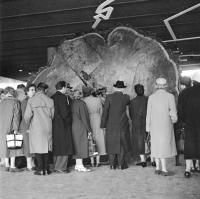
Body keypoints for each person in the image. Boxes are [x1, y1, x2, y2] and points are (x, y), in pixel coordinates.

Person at [146, 78, 177, 176]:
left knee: (156, 145)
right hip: (165, 125)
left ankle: (157, 168)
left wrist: (148, 127)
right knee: (163, 146)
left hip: (154, 125)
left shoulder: (151, 97)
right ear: (166, 85)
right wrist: (174, 120)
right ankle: (164, 169)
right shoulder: (170, 96)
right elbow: (173, 113)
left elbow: (148, 114)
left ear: (156, 85)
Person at [24, 82, 54, 175]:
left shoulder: (31, 100)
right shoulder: (50, 100)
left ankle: (40, 169)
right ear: (45, 90)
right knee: (46, 147)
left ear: (37, 89)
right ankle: (47, 169)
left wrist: (28, 124)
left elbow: (27, 116)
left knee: (38, 147)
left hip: (36, 127)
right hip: (48, 126)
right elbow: (52, 115)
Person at [101, 80, 130, 170]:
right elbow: (128, 108)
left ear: (115, 88)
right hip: (122, 124)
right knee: (121, 144)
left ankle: (112, 165)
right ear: (123, 88)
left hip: (110, 124)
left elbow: (105, 112)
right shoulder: (126, 97)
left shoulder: (109, 97)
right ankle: (121, 164)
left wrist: (103, 125)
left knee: (111, 143)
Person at [178, 72, 200, 178]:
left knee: (189, 145)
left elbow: (180, 110)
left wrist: (182, 122)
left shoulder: (184, 93)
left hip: (189, 124)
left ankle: (188, 170)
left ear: (193, 81)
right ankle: (198, 166)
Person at [51, 81, 73, 173]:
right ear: (63, 88)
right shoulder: (63, 97)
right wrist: (69, 121)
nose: (67, 89)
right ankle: (61, 167)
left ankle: (56, 166)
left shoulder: (52, 97)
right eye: (66, 88)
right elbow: (65, 112)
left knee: (57, 146)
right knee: (65, 146)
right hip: (63, 125)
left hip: (54, 125)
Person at [83, 86, 106, 167]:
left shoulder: (84, 100)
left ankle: (92, 162)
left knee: (90, 140)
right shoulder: (98, 99)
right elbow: (101, 111)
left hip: (88, 120)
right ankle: (98, 161)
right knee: (99, 139)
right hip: (97, 119)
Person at [0, 87, 22, 172]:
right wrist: (16, 128)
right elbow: (16, 116)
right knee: (12, 146)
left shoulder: (2, 102)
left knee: (4, 146)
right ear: (12, 93)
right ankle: (12, 166)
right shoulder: (15, 101)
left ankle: (7, 165)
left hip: (1, 127)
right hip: (11, 126)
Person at [71, 89, 92, 172]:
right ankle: (80, 165)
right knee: (81, 145)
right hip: (80, 126)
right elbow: (85, 117)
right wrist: (89, 129)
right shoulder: (81, 103)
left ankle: (77, 164)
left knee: (76, 145)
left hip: (73, 126)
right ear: (80, 95)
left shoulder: (71, 103)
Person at [129, 84, 148, 167]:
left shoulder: (132, 101)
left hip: (137, 123)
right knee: (149, 140)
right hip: (147, 122)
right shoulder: (148, 99)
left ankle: (143, 160)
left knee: (139, 141)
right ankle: (153, 159)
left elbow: (131, 115)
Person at [19, 84, 36, 171]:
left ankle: (32, 163)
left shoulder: (34, 100)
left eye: (34, 90)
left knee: (33, 145)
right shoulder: (24, 102)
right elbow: (25, 116)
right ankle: (29, 164)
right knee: (28, 145)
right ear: (27, 92)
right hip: (26, 126)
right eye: (32, 90)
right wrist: (28, 127)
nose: (34, 91)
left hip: (33, 125)